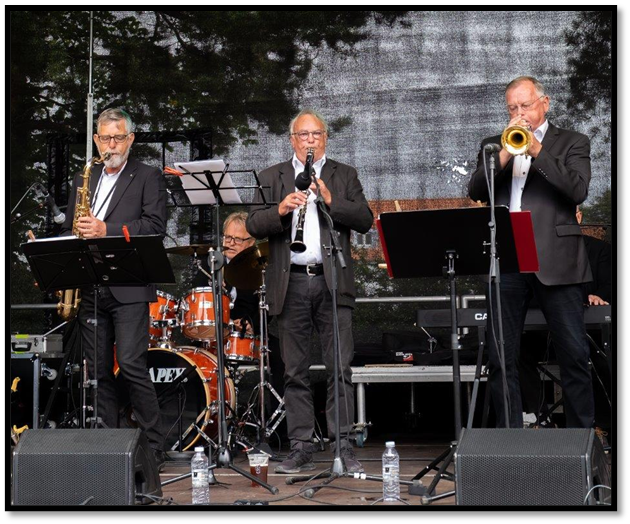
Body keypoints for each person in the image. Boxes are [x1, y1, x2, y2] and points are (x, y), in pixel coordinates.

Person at [247, 109, 373, 473]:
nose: (310, 141)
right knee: (294, 371)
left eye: (316, 134)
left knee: (340, 368)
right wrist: (281, 209)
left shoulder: (343, 174)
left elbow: (365, 219)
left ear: (325, 138)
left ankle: (342, 445)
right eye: (303, 135)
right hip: (291, 283)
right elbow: (253, 224)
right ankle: (301, 446)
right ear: (292, 140)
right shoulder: (271, 176)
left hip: (333, 281)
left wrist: (331, 199)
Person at [469, 76, 595, 429]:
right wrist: (505, 153)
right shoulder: (493, 145)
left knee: (573, 354)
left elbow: (577, 190)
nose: (519, 113)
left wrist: (538, 152)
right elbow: (477, 190)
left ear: (545, 103)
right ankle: (510, 439)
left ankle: (581, 439)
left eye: (525, 105)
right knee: (501, 357)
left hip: (555, 258)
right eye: (512, 108)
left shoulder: (572, 141)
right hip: (506, 257)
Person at [60, 108, 168, 469]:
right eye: (105, 138)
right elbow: (72, 227)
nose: (112, 145)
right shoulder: (84, 177)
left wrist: (106, 229)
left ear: (131, 139)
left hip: (129, 285)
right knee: (98, 371)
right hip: (91, 285)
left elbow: (154, 226)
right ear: (96, 140)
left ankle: (155, 446)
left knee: (133, 365)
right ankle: (109, 445)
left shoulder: (148, 176)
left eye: (119, 138)